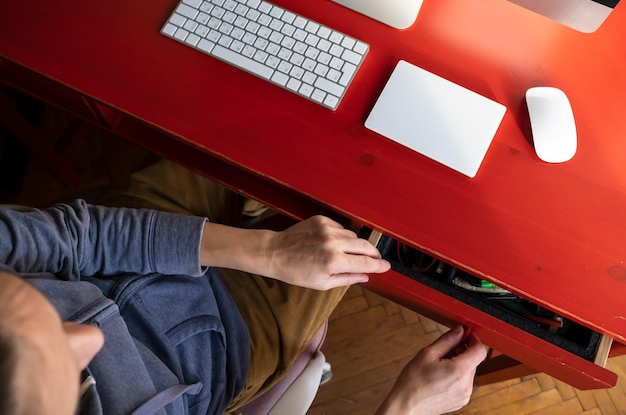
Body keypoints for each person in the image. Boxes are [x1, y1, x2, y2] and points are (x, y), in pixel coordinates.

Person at [0, 159, 486, 415]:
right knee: (371, 185)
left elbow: (77, 238)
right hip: (228, 339)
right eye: (79, 377)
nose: (93, 332)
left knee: (254, 110)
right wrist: (407, 406)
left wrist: (268, 251)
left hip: (129, 244)